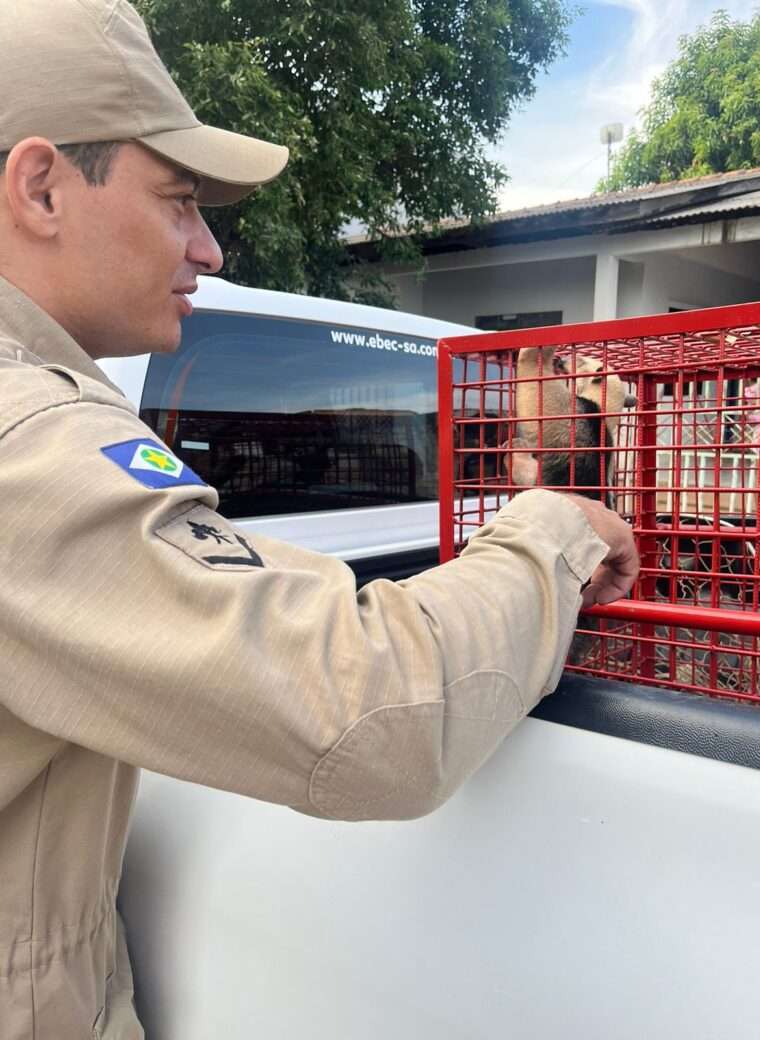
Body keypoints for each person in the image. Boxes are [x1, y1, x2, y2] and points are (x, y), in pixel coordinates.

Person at [0, 2, 639, 1038]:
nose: (207, 247)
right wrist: (549, 528)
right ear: (40, 187)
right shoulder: (30, 439)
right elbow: (369, 706)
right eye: (177, 201)